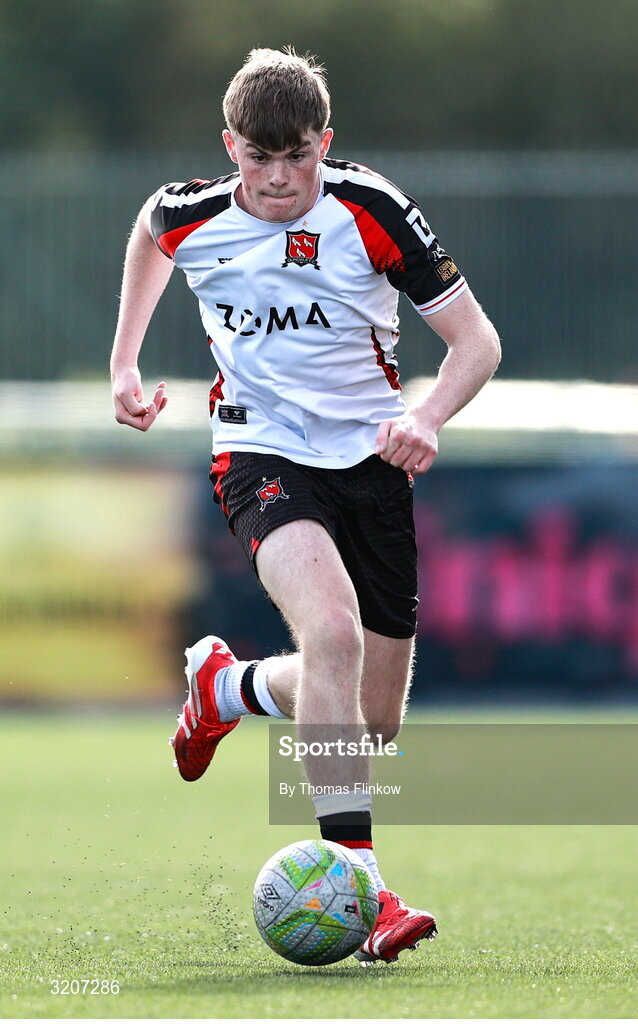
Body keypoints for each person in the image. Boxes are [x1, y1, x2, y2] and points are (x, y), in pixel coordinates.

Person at [110, 47, 501, 965]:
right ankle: (366, 888)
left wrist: (426, 417)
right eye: (260, 158)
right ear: (230, 148)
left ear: (325, 142)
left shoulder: (373, 210)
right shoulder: (193, 213)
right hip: (259, 452)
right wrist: (125, 362)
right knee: (331, 634)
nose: (280, 178)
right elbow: (149, 231)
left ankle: (228, 688)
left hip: (373, 463)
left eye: (298, 156)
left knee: (375, 722)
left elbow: (477, 341)